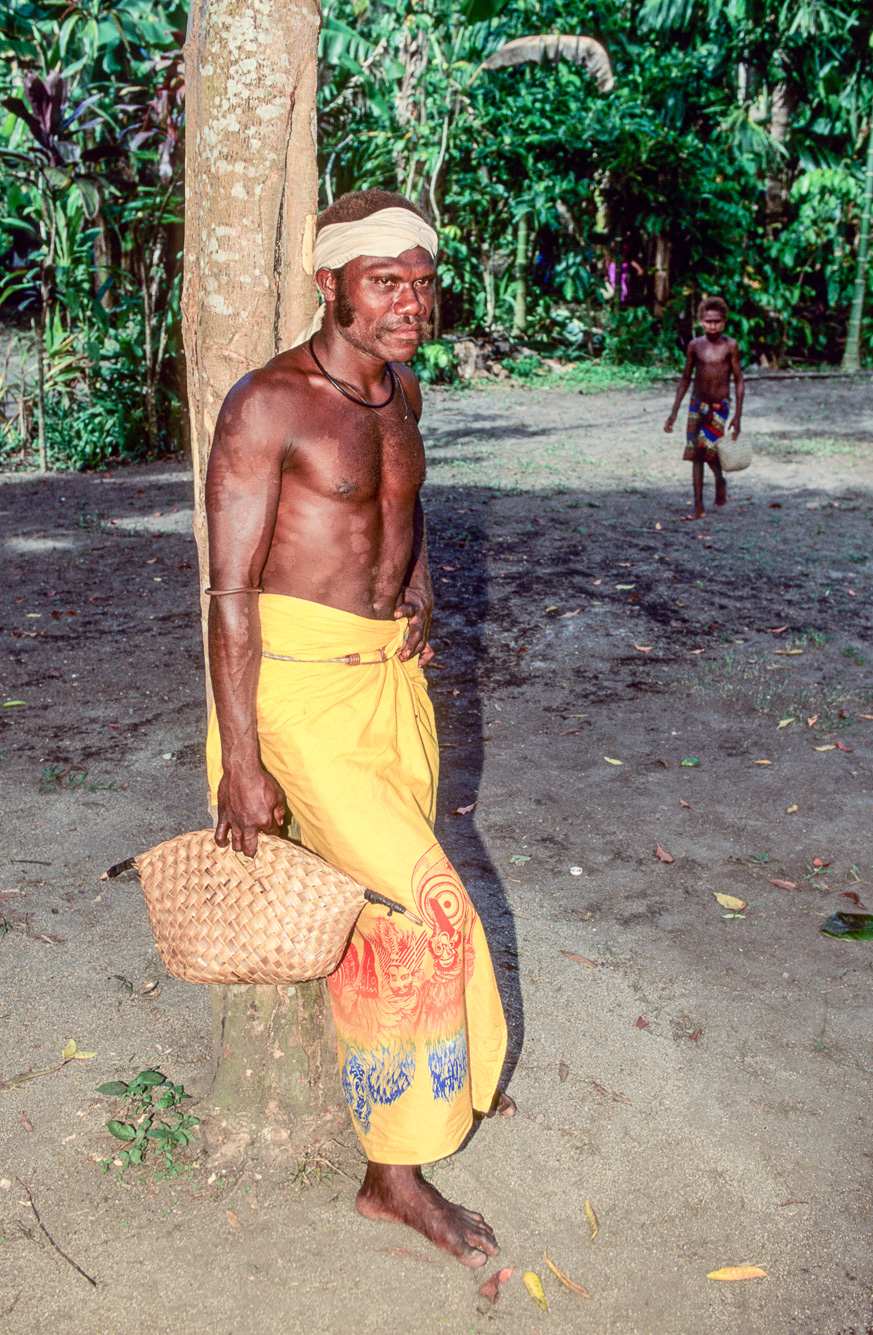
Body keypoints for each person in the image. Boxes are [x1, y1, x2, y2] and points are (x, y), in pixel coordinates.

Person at [203, 189, 512, 1268]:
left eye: (423, 280)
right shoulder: (266, 407)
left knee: (383, 926)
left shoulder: (402, 392)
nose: (412, 302)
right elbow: (230, 595)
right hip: (298, 700)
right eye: (386, 282)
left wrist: (418, 577)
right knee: (431, 912)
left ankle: (409, 1107)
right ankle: (395, 1178)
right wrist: (242, 759)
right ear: (328, 284)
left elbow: (401, 503)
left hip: (390, 689)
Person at [664, 296, 744, 520]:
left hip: (719, 406)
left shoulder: (730, 346)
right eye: (708, 321)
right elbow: (685, 378)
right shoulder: (695, 346)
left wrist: (737, 415)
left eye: (717, 321)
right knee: (696, 454)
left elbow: (738, 380)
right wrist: (673, 412)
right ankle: (698, 505)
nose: (713, 325)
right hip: (697, 404)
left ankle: (719, 479)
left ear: (724, 322)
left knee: (710, 448)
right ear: (701, 321)